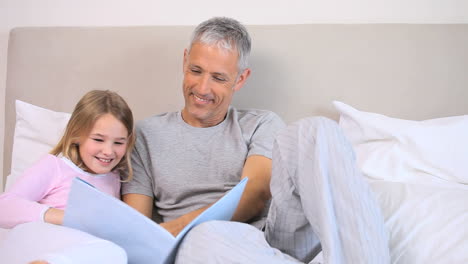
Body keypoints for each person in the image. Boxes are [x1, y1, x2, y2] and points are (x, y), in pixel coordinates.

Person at [123, 17, 390, 263]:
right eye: (196, 70)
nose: (202, 88)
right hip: (203, 249)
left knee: (316, 130)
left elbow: (255, 194)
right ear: (184, 61)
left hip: (272, 239)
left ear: (240, 79)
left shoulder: (260, 123)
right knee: (205, 236)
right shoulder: (145, 135)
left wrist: (179, 227)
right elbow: (135, 228)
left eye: (218, 77)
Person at [0, 90, 135, 264]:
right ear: (77, 135)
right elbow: (4, 206)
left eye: (118, 142)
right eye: (98, 139)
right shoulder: (55, 166)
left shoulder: (115, 179)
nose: (108, 151)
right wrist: (66, 217)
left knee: (115, 253)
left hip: (86, 250)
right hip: (44, 240)